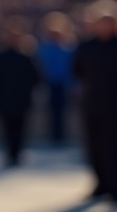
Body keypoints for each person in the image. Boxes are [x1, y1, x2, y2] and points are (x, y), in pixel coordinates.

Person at [74, 0, 117, 201]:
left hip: (114, 106)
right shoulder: (86, 47)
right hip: (93, 104)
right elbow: (77, 72)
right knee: (95, 147)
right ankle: (100, 183)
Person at [0, 16, 40, 167]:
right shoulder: (8, 57)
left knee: (16, 129)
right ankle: (13, 153)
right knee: (11, 128)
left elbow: (36, 78)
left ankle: (14, 152)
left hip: (14, 99)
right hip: (11, 99)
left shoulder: (24, 57)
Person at [38, 12, 76, 145]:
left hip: (64, 83)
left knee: (62, 110)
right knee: (52, 110)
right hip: (49, 83)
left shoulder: (68, 47)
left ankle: (60, 135)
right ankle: (54, 136)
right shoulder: (45, 47)